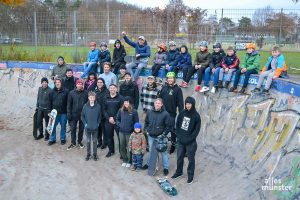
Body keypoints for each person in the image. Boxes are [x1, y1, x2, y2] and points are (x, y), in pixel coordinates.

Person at [171, 96, 201, 185]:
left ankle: (190, 176)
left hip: (190, 143)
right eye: (187, 104)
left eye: (189, 104)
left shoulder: (196, 116)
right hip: (181, 141)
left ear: (193, 104)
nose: (188, 105)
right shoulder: (182, 113)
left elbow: (196, 130)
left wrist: (189, 139)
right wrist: (179, 136)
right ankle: (179, 172)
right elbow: (178, 124)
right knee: (179, 157)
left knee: (191, 160)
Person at [143, 98, 171, 175]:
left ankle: (166, 167)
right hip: (151, 136)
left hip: (161, 137)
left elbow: (168, 126)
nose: (157, 104)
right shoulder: (149, 112)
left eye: (159, 103)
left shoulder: (165, 114)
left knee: (163, 152)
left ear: (161, 104)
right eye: (156, 103)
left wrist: (163, 134)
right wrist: (146, 130)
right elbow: (146, 122)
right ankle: (149, 164)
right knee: (151, 151)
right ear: (154, 104)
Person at [158, 72, 184, 154]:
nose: (170, 80)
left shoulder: (178, 89)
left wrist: (181, 114)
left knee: (172, 130)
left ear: (174, 79)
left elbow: (180, 104)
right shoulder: (164, 88)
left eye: (171, 78)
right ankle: (161, 144)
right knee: (162, 129)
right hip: (162, 113)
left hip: (171, 114)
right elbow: (159, 99)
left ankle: (173, 145)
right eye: (168, 78)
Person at [116, 97, 139, 168]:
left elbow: (136, 122)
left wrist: (133, 130)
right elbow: (117, 119)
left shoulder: (134, 111)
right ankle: (125, 159)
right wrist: (120, 125)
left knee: (129, 147)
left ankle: (129, 161)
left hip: (129, 133)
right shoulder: (120, 110)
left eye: (127, 102)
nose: (126, 103)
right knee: (122, 146)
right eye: (125, 102)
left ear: (130, 103)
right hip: (121, 132)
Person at [103, 84, 124, 157]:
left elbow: (121, 110)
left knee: (120, 137)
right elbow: (104, 109)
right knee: (109, 137)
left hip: (118, 121)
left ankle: (122, 153)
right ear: (109, 89)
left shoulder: (121, 98)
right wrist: (108, 118)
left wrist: (114, 118)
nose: (112, 89)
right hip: (108, 121)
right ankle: (111, 151)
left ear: (116, 89)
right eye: (111, 88)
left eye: (114, 88)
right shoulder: (105, 97)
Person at [67, 79, 88, 150]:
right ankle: (73, 142)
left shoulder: (86, 93)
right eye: (78, 84)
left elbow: (87, 104)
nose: (80, 85)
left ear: (82, 85)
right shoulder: (71, 93)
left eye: (81, 84)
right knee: (73, 129)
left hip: (82, 114)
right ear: (76, 85)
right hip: (73, 114)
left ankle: (79, 141)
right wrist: (69, 113)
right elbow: (69, 104)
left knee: (81, 129)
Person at [81, 91, 102, 161]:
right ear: (88, 98)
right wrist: (85, 124)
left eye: (93, 97)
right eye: (90, 97)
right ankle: (88, 154)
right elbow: (82, 116)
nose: (92, 98)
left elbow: (100, 116)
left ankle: (95, 154)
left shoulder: (98, 106)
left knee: (95, 141)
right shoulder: (85, 106)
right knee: (88, 141)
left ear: (95, 98)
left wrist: (98, 123)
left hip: (95, 128)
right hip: (87, 128)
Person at [48, 78, 68, 145]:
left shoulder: (66, 91)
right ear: (55, 83)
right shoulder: (51, 92)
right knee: (52, 126)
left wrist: (68, 111)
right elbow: (49, 102)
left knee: (63, 126)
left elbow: (68, 103)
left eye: (59, 82)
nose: (57, 83)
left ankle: (63, 138)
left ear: (61, 83)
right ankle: (52, 139)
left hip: (63, 113)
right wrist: (49, 111)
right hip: (54, 113)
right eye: (56, 82)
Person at [95, 78, 109, 149]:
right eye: (98, 82)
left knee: (104, 130)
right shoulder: (95, 91)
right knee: (98, 129)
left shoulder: (107, 91)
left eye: (101, 82)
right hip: (97, 114)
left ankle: (104, 143)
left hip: (104, 114)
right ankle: (99, 142)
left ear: (103, 83)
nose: (99, 83)